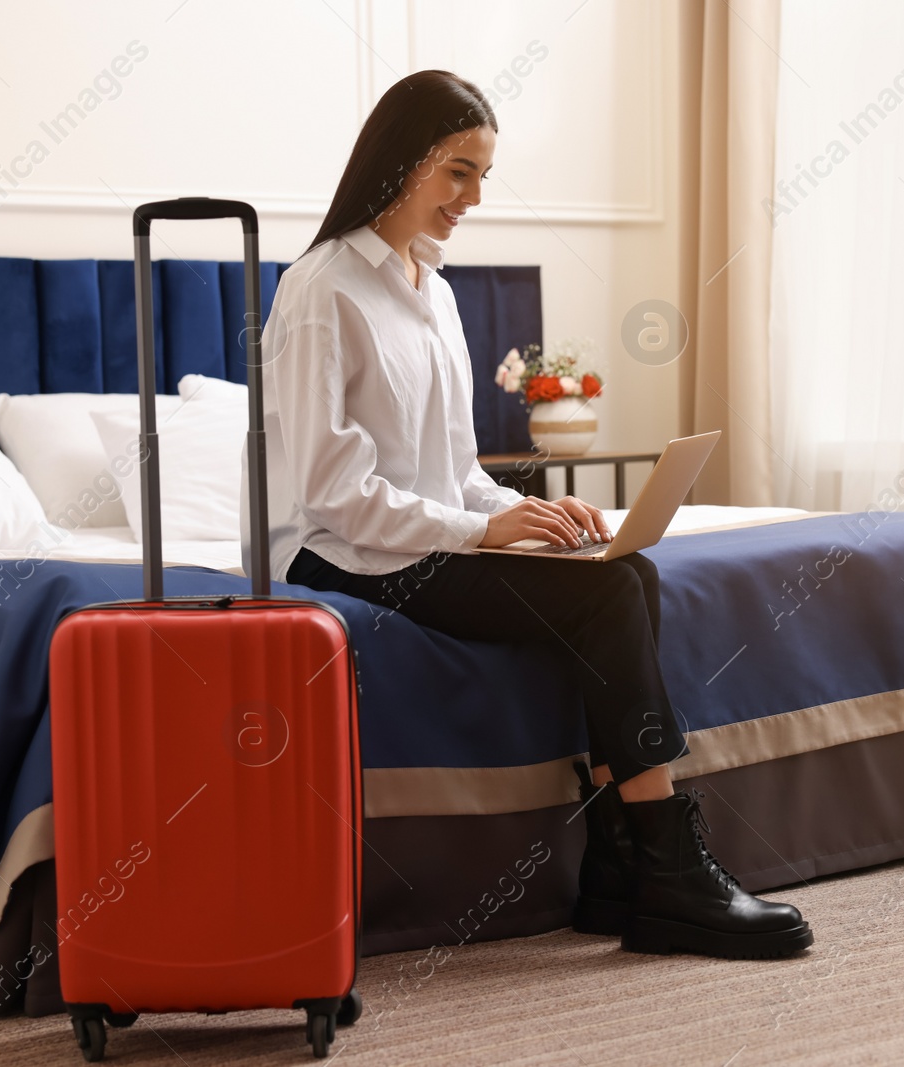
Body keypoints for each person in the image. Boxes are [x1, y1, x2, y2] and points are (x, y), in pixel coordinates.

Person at [248, 70, 812, 960]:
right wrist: (480, 532)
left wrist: (535, 512)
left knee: (624, 569)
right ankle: (662, 859)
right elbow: (331, 489)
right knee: (611, 598)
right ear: (399, 161)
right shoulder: (317, 291)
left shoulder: (433, 291)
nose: (472, 197)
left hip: (429, 540)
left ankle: (618, 869)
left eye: (482, 175)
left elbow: (458, 469)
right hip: (346, 554)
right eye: (457, 172)